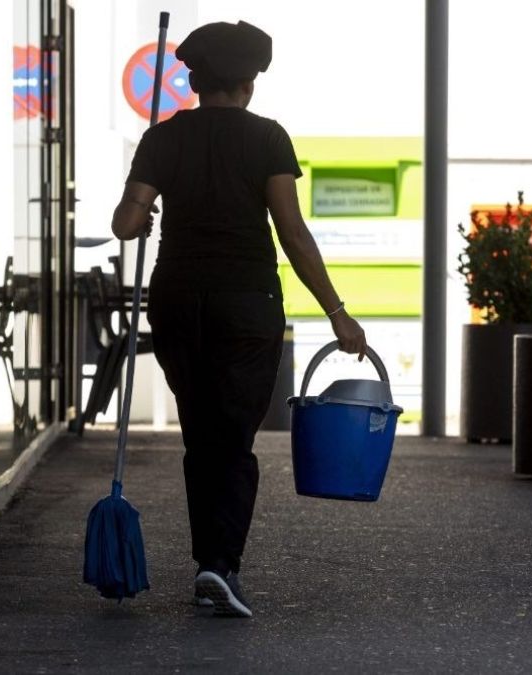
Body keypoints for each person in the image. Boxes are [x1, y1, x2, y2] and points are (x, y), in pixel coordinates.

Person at [111, 20, 367, 618]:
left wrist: (142, 218)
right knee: (233, 438)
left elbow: (126, 223)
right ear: (250, 84)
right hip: (247, 303)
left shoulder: (162, 138)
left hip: (176, 299)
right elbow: (292, 232)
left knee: (202, 434)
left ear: (195, 81)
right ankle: (219, 565)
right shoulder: (268, 139)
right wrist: (337, 312)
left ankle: (211, 564)